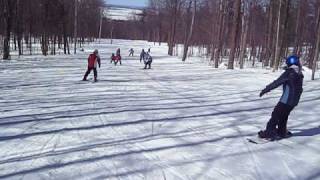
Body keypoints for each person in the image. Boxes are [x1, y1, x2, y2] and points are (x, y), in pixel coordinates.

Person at [258, 55, 304, 140]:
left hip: (286, 100)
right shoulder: (299, 73)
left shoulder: (289, 72)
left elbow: (277, 82)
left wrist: (265, 90)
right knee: (284, 115)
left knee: (276, 114)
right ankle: (281, 131)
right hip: (294, 101)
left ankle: (269, 132)